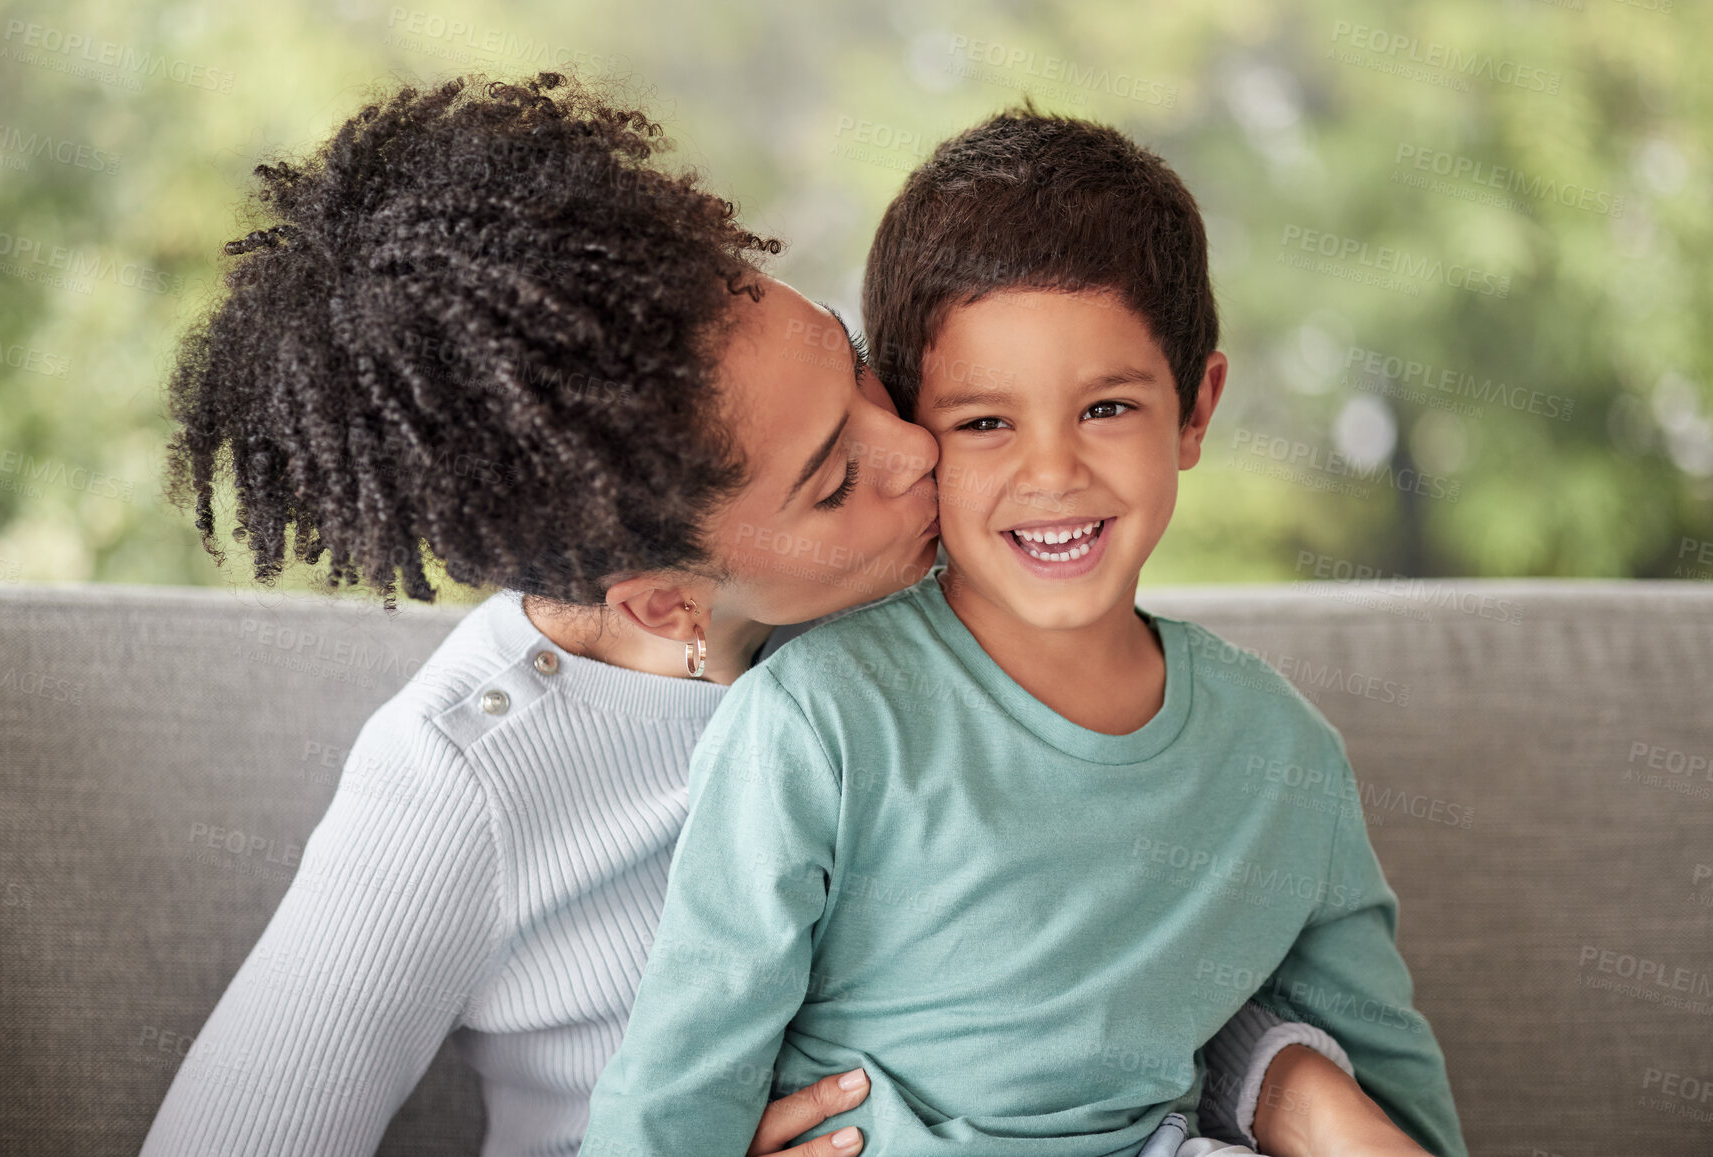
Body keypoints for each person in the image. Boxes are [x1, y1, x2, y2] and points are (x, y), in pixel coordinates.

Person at [140, 75, 1350, 1157]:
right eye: (832, 480)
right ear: (667, 597)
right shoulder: (459, 784)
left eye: (856, 366)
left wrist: (1279, 1079)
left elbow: (1086, 927)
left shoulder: (922, 607)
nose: (919, 447)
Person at [576, 109, 1468, 1157]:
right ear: (913, 427)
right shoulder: (814, 721)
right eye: (985, 421)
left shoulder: (1283, 753)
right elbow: (681, 1078)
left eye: (1105, 408)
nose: (1052, 473)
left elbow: (1388, 1098)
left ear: (1194, 409)